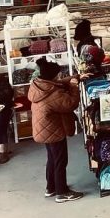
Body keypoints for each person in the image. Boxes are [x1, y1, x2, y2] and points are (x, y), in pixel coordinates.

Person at [28, 57, 83, 203]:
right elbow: (70, 104)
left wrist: (76, 77)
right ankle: (62, 193)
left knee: (52, 159)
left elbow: (57, 83)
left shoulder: (39, 85)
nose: (60, 77)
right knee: (60, 161)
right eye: (58, 75)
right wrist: (73, 86)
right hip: (53, 131)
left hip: (43, 129)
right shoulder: (53, 94)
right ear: (53, 76)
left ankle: (51, 188)